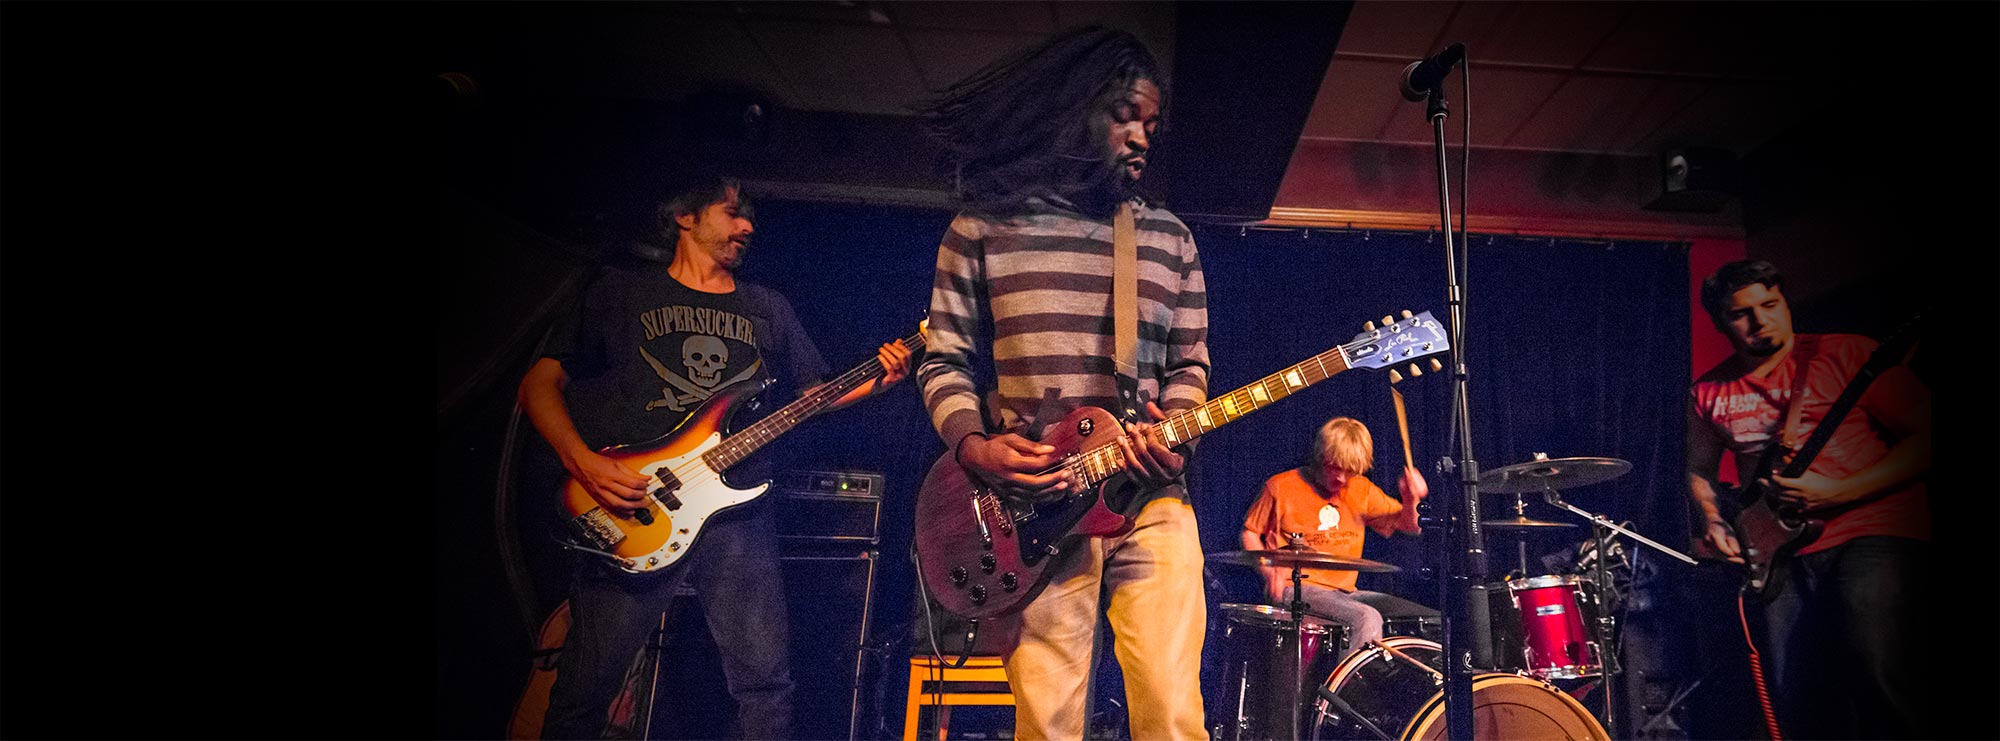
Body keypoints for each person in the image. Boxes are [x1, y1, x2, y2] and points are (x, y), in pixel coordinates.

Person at [518, 175, 911, 740]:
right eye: (731, 213)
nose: (747, 226)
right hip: (632, 504)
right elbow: (539, 383)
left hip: (739, 515)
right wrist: (583, 462)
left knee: (765, 685)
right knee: (585, 687)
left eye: (749, 216)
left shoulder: (766, 308)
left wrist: (880, 378)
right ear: (684, 216)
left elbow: (812, 396)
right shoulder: (619, 295)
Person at [912, 26, 1211, 741]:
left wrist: (1175, 436)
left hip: (1151, 502)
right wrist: (974, 446)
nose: (1142, 137)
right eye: (1125, 115)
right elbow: (943, 357)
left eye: (1151, 123)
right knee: (1046, 724)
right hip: (1032, 511)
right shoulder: (980, 229)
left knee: (1172, 716)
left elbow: (1190, 368)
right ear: (1077, 107)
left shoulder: (1169, 238)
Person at [1684, 258, 1931, 739]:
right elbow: (1699, 470)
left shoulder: (1848, 355)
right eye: (1742, 313)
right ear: (1721, 323)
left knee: (1876, 664)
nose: (1761, 321)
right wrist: (1713, 520)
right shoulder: (1709, 391)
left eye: (1770, 305)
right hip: (1779, 552)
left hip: (1870, 528)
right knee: (1796, 688)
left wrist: (1839, 490)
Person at [1239, 416, 1427, 660]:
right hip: (1297, 588)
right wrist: (1267, 570)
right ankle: (1345, 696)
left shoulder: (1361, 489)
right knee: (1366, 617)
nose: (1341, 478)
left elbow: (1412, 526)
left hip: (1346, 592)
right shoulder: (1280, 486)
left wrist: (1411, 498)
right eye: (1334, 467)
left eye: (1349, 471)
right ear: (1320, 457)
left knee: (1425, 620)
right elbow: (1250, 532)